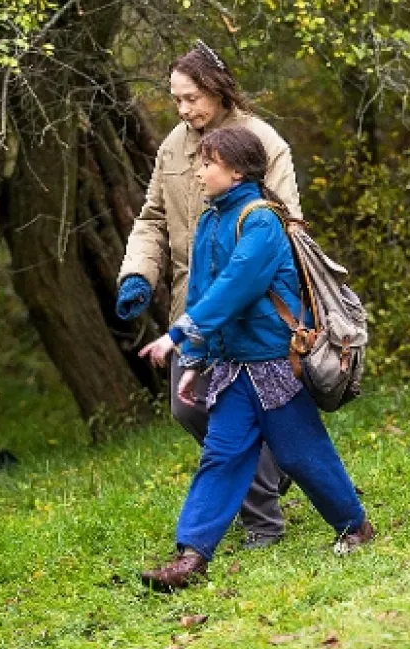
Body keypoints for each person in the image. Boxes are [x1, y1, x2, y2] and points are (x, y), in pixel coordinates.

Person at [136, 127, 375, 591]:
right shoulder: (210, 221)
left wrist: (177, 334)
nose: (199, 172)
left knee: (302, 454)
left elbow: (237, 287)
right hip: (232, 369)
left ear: (237, 172)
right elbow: (201, 293)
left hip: (276, 365)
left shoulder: (261, 219)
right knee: (221, 457)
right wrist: (196, 360)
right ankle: (191, 557)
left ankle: (355, 526)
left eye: (208, 163)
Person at [117, 41, 302, 549]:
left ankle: (264, 516)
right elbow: (152, 218)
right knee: (190, 409)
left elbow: (285, 223)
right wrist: (138, 274)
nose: (183, 109)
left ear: (218, 90)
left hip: (254, 307)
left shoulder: (262, 141)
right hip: (191, 303)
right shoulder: (173, 147)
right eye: (176, 99)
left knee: (242, 413)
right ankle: (270, 474)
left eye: (192, 98)